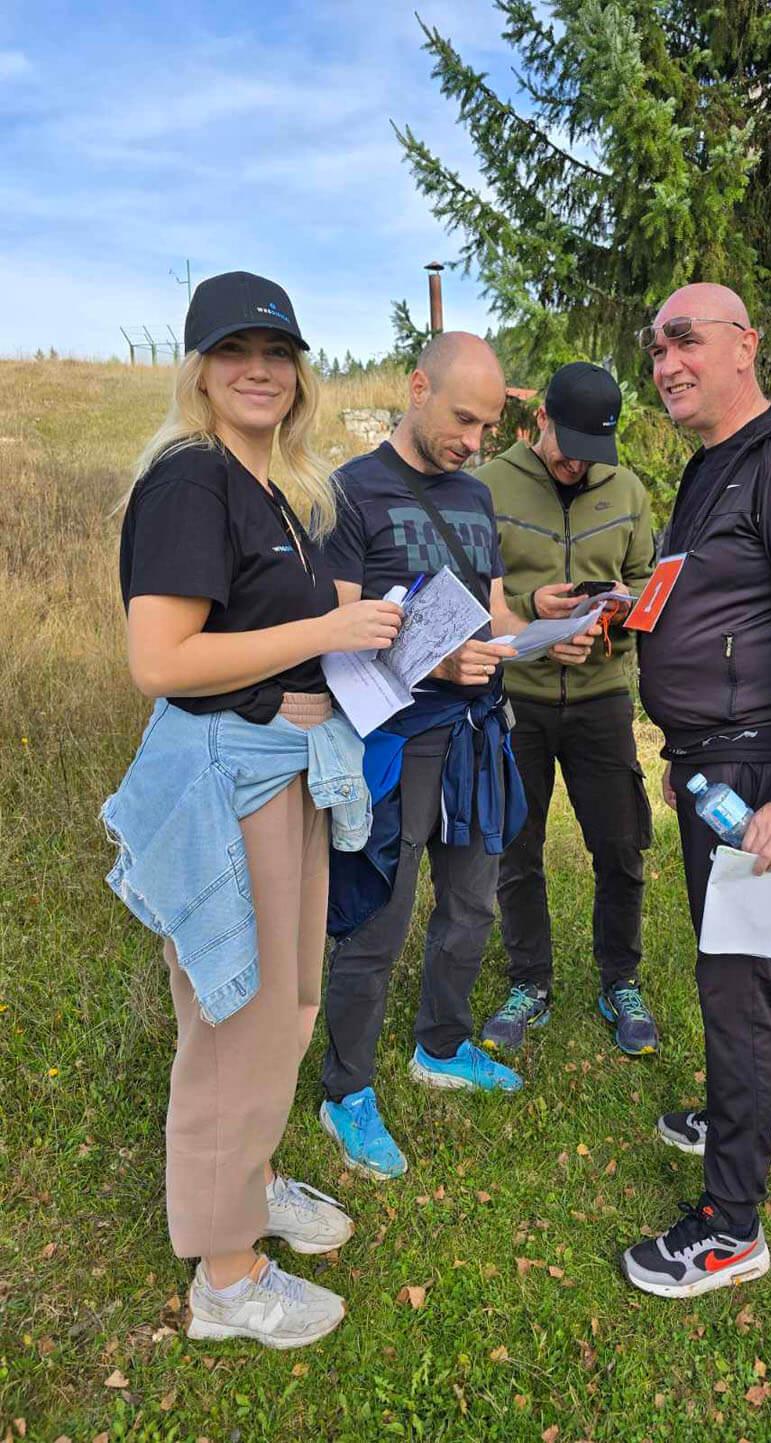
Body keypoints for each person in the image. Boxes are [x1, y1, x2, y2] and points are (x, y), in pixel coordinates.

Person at [103, 271, 406, 1347]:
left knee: (284, 1005)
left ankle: (250, 1178)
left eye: (278, 353)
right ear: (198, 369)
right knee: (236, 1020)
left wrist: (398, 635)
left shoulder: (277, 484)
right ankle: (226, 1279)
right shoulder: (192, 479)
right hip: (227, 778)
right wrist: (324, 635)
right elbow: (161, 660)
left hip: (284, 770)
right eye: (234, 351)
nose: (259, 370)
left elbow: (295, 620)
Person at [620, 283, 771, 1297]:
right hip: (710, 762)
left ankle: (730, 1230)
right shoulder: (710, 466)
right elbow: (711, 597)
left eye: (684, 340)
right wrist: (629, 611)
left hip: (759, 770)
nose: (664, 362)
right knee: (727, 967)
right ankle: (742, 1124)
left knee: (735, 987)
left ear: (744, 347)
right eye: (654, 347)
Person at [316, 332, 597, 1181]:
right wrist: (433, 662)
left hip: (479, 733)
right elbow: (332, 635)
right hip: (395, 742)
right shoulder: (350, 492)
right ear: (417, 388)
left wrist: (544, 636)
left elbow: (493, 612)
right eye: (463, 420)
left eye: (487, 426)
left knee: (472, 903)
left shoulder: (475, 496)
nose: (474, 442)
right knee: (378, 918)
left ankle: (440, 1044)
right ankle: (346, 1090)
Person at [476, 362, 660, 1056]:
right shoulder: (488, 486)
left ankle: (621, 980)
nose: (577, 462)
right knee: (515, 849)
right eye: (568, 445)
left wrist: (607, 624)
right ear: (540, 419)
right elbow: (470, 593)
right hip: (515, 700)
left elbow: (646, 586)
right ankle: (530, 982)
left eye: (592, 450)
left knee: (620, 845)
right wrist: (532, 610)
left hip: (600, 697)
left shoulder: (628, 490)